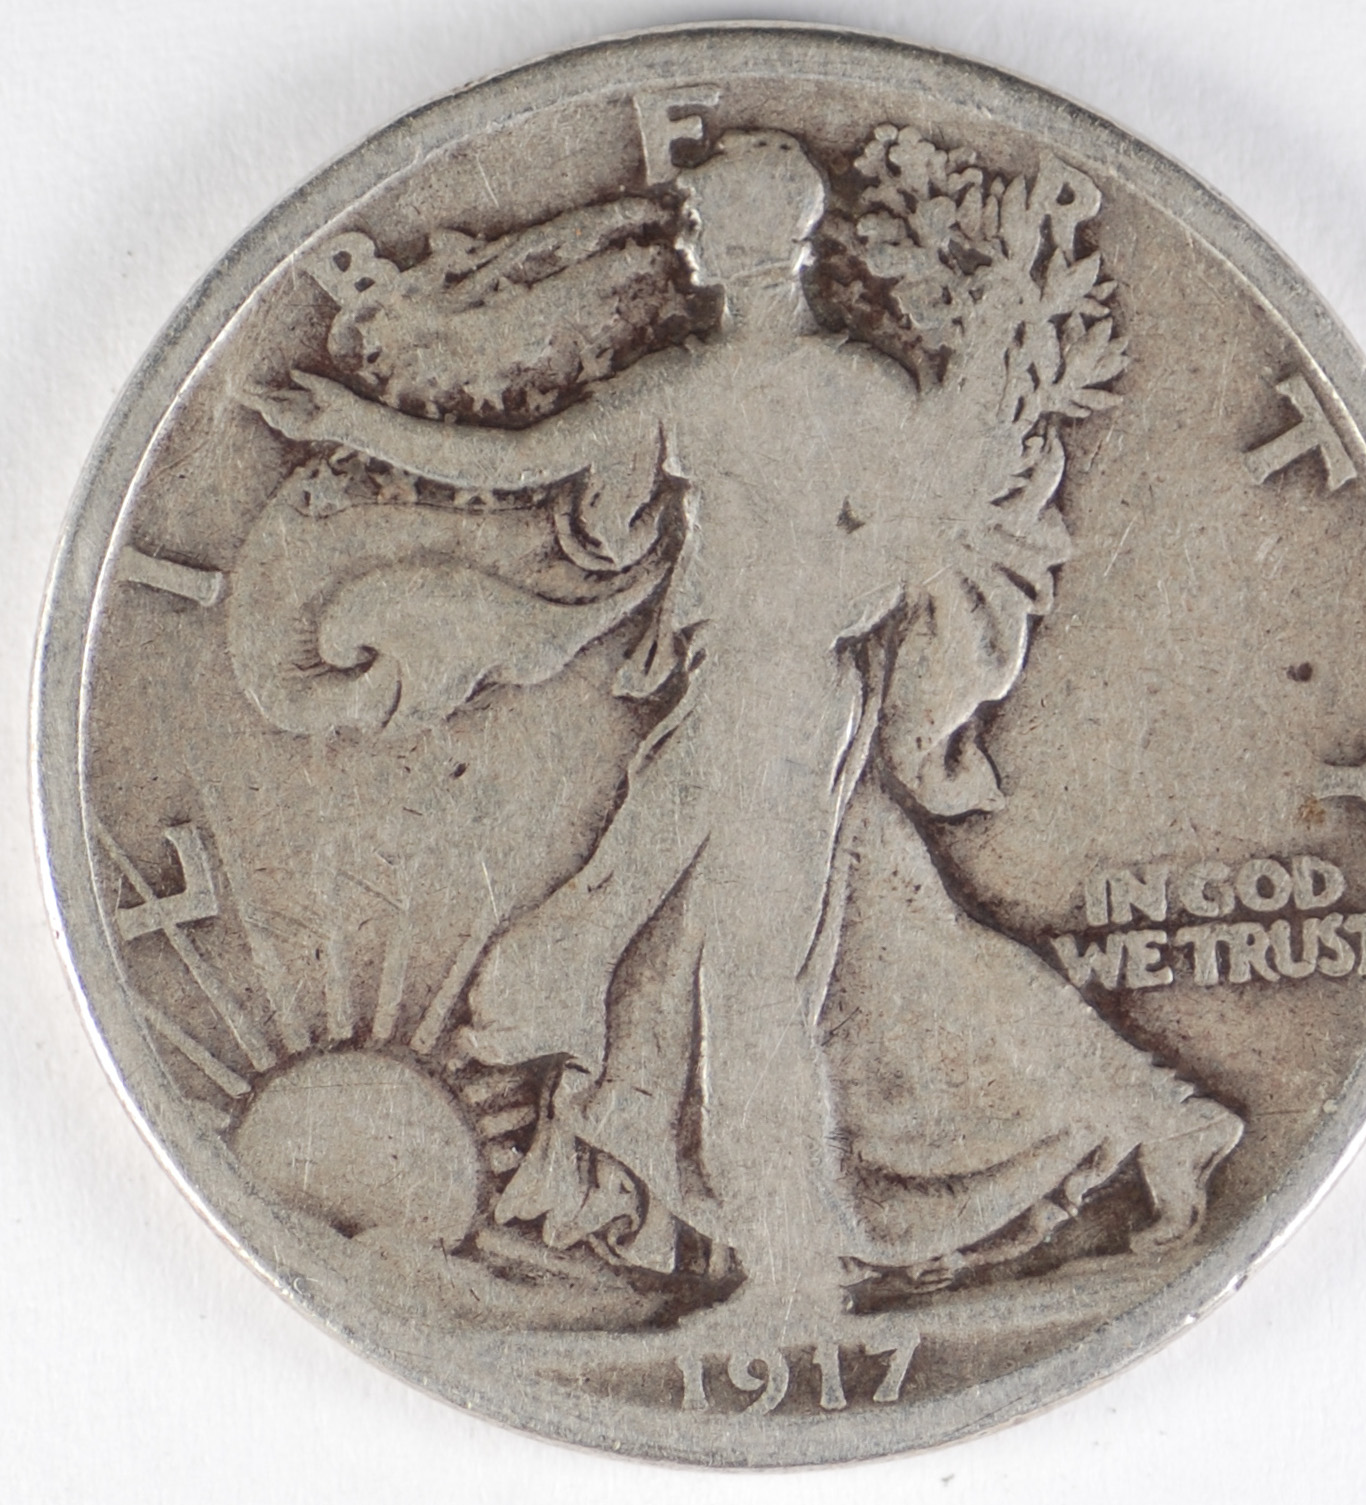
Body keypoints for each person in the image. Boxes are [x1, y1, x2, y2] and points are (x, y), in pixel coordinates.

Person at [244, 129, 1242, 1335]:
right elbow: (528, 463)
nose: (697, 239)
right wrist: (353, 424)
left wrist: (800, 611)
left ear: (748, 243)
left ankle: (795, 1276)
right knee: (890, 944)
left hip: (779, 700)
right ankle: (1161, 1115)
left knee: (750, 995)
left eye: (709, 222)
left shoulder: (761, 392)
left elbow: (883, 550)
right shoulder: (785, 387)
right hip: (763, 697)